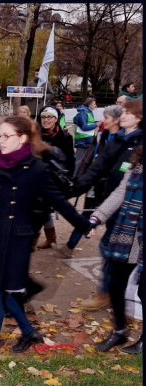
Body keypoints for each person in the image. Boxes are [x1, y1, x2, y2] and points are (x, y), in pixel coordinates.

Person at [0, 116, 92, 363]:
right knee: (6, 294)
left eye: (6, 136)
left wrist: (84, 224)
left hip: (18, 240)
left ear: (22, 138)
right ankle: (30, 333)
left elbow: (59, 201)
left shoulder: (37, 169)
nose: (0, 140)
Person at [68, 100, 142, 311]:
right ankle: (109, 292)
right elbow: (96, 170)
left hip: (135, 210)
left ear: (138, 118)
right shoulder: (117, 140)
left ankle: (109, 293)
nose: (122, 115)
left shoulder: (140, 143)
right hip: (114, 205)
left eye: (127, 112)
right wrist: (73, 189)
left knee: (116, 250)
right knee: (111, 248)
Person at [87, 145, 142, 353]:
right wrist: (96, 216)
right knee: (115, 283)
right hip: (127, 234)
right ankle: (119, 331)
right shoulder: (138, 161)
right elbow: (120, 192)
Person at [53, 105, 123, 258]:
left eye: (106, 118)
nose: (102, 121)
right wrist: (78, 179)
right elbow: (89, 158)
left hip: (113, 186)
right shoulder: (102, 135)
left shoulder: (124, 141)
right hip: (95, 182)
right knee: (88, 213)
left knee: (113, 217)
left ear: (117, 120)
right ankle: (70, 246)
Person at [32, 106, 76, 249]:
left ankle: (42, 239)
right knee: (38, 209)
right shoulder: (36, 135)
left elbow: (70, 160)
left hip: (54, 179)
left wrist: (69, 179)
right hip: (36, 176)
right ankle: (48, 238)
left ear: (56, 119)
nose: (46, 120)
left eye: (49, 117)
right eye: (44, 117)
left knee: (42, 209)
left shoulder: (65, 137)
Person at [73, 97, 100, 176]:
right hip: (83, 140)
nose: (95, 105)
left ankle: (80, 176)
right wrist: (96, 124)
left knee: (85, 160)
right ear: (90, 104)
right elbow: (84, 127)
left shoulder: (87, 112)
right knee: (80, 160)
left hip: (87, 139)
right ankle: (75, 177)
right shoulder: (83, 113)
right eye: (94, 104)